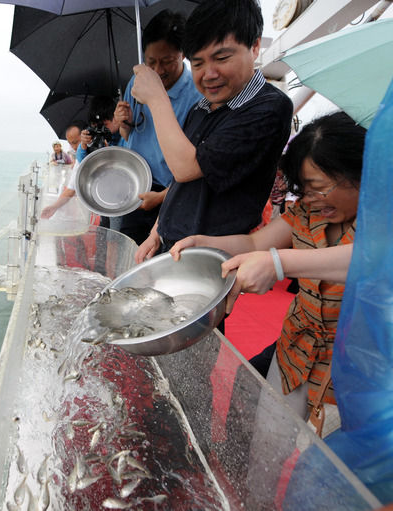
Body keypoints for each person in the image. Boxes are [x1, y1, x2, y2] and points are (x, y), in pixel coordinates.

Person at [169, 111, 366, 417]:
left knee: (333, 457)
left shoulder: (382, 220)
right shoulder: (306, 212)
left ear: (360, 172)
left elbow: (369, 261)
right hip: (297, 350)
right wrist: (205, 242)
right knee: (268, 432)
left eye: (320, 187)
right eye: (304, 190)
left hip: (359, 368)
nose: (311, 199)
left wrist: (279, 262)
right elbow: (254, 244)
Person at [132, 0, 293, 263]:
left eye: (221, 58)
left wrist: (157, 98)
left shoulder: (269, 108)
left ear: (254, 46)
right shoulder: (201, 107)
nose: (209, 74)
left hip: (211, 255)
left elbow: (187, 167)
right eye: (197, 64)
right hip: (171, 246)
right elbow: (180, 182)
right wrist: (156, 232)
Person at [114, 9, 202, 245]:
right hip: (135, 184)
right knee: (129, 251)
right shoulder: (138, 80)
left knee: (162, 260)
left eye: (167, 62)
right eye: (151, 61)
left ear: (182, 54)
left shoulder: (196, 95)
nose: (158, 71)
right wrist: (124, 122)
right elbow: (127, 133)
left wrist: (162, 197)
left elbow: (195, 164)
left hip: (171, 191)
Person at [42, 98, 121, 222]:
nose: (74, 147)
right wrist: (54, 207)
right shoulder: (82, 153)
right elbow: (72, 187)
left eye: (76, 142)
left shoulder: (117, 140)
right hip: (105, 201)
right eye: (70, 144)